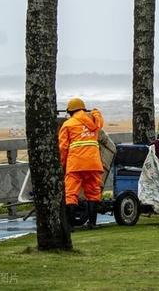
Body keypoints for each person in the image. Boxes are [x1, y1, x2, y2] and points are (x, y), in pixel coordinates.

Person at [59, 97, 105, 228]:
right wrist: (95, 112)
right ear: (84, 109)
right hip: (93, 163)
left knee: (71, 194)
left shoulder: (67, 124)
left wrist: (62, 164)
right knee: (93, 193)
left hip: (76, 164)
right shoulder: (94, 122)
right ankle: (92, 223)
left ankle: (70, 225)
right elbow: (100, 121)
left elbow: (63, 148)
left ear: (70, 111)